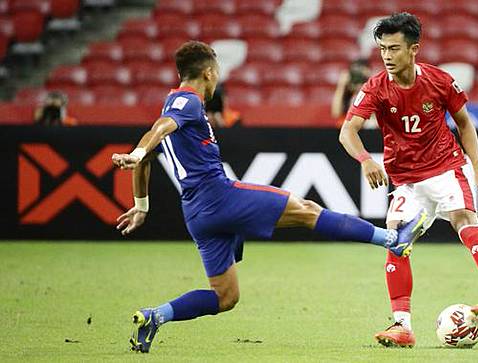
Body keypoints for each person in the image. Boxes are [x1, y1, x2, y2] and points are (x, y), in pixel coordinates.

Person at [110, 41, 426, 353]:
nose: (217, 78)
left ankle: (155, 316)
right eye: (217, 72)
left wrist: (141, 205)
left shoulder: (171, 101)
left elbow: (151, 151)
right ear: (208, 72)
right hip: (219, 197)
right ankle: (392, 239)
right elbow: (160, 128)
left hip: (196, 214)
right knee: (307, 209)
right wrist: (138, 151)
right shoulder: (186, 102)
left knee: (225, 297)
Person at [338, 13, 478, 349]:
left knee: (465, 222)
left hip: (447, 167)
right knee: (396, 243)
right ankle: (402, 326)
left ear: (414, 49)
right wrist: (364, 159)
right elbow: (348, 131)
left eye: (394, 48)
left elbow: (464, 124)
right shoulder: (375, 87)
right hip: (407, 181)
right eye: (382, 49)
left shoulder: (439, 81)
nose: (387, 56)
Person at [331, 59, 376, 128]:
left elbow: (375, 115)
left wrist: (371, 83)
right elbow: (336, 113)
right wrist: (341, 85)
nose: (358, 79)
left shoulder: (372, 92)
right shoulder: (348, 95)